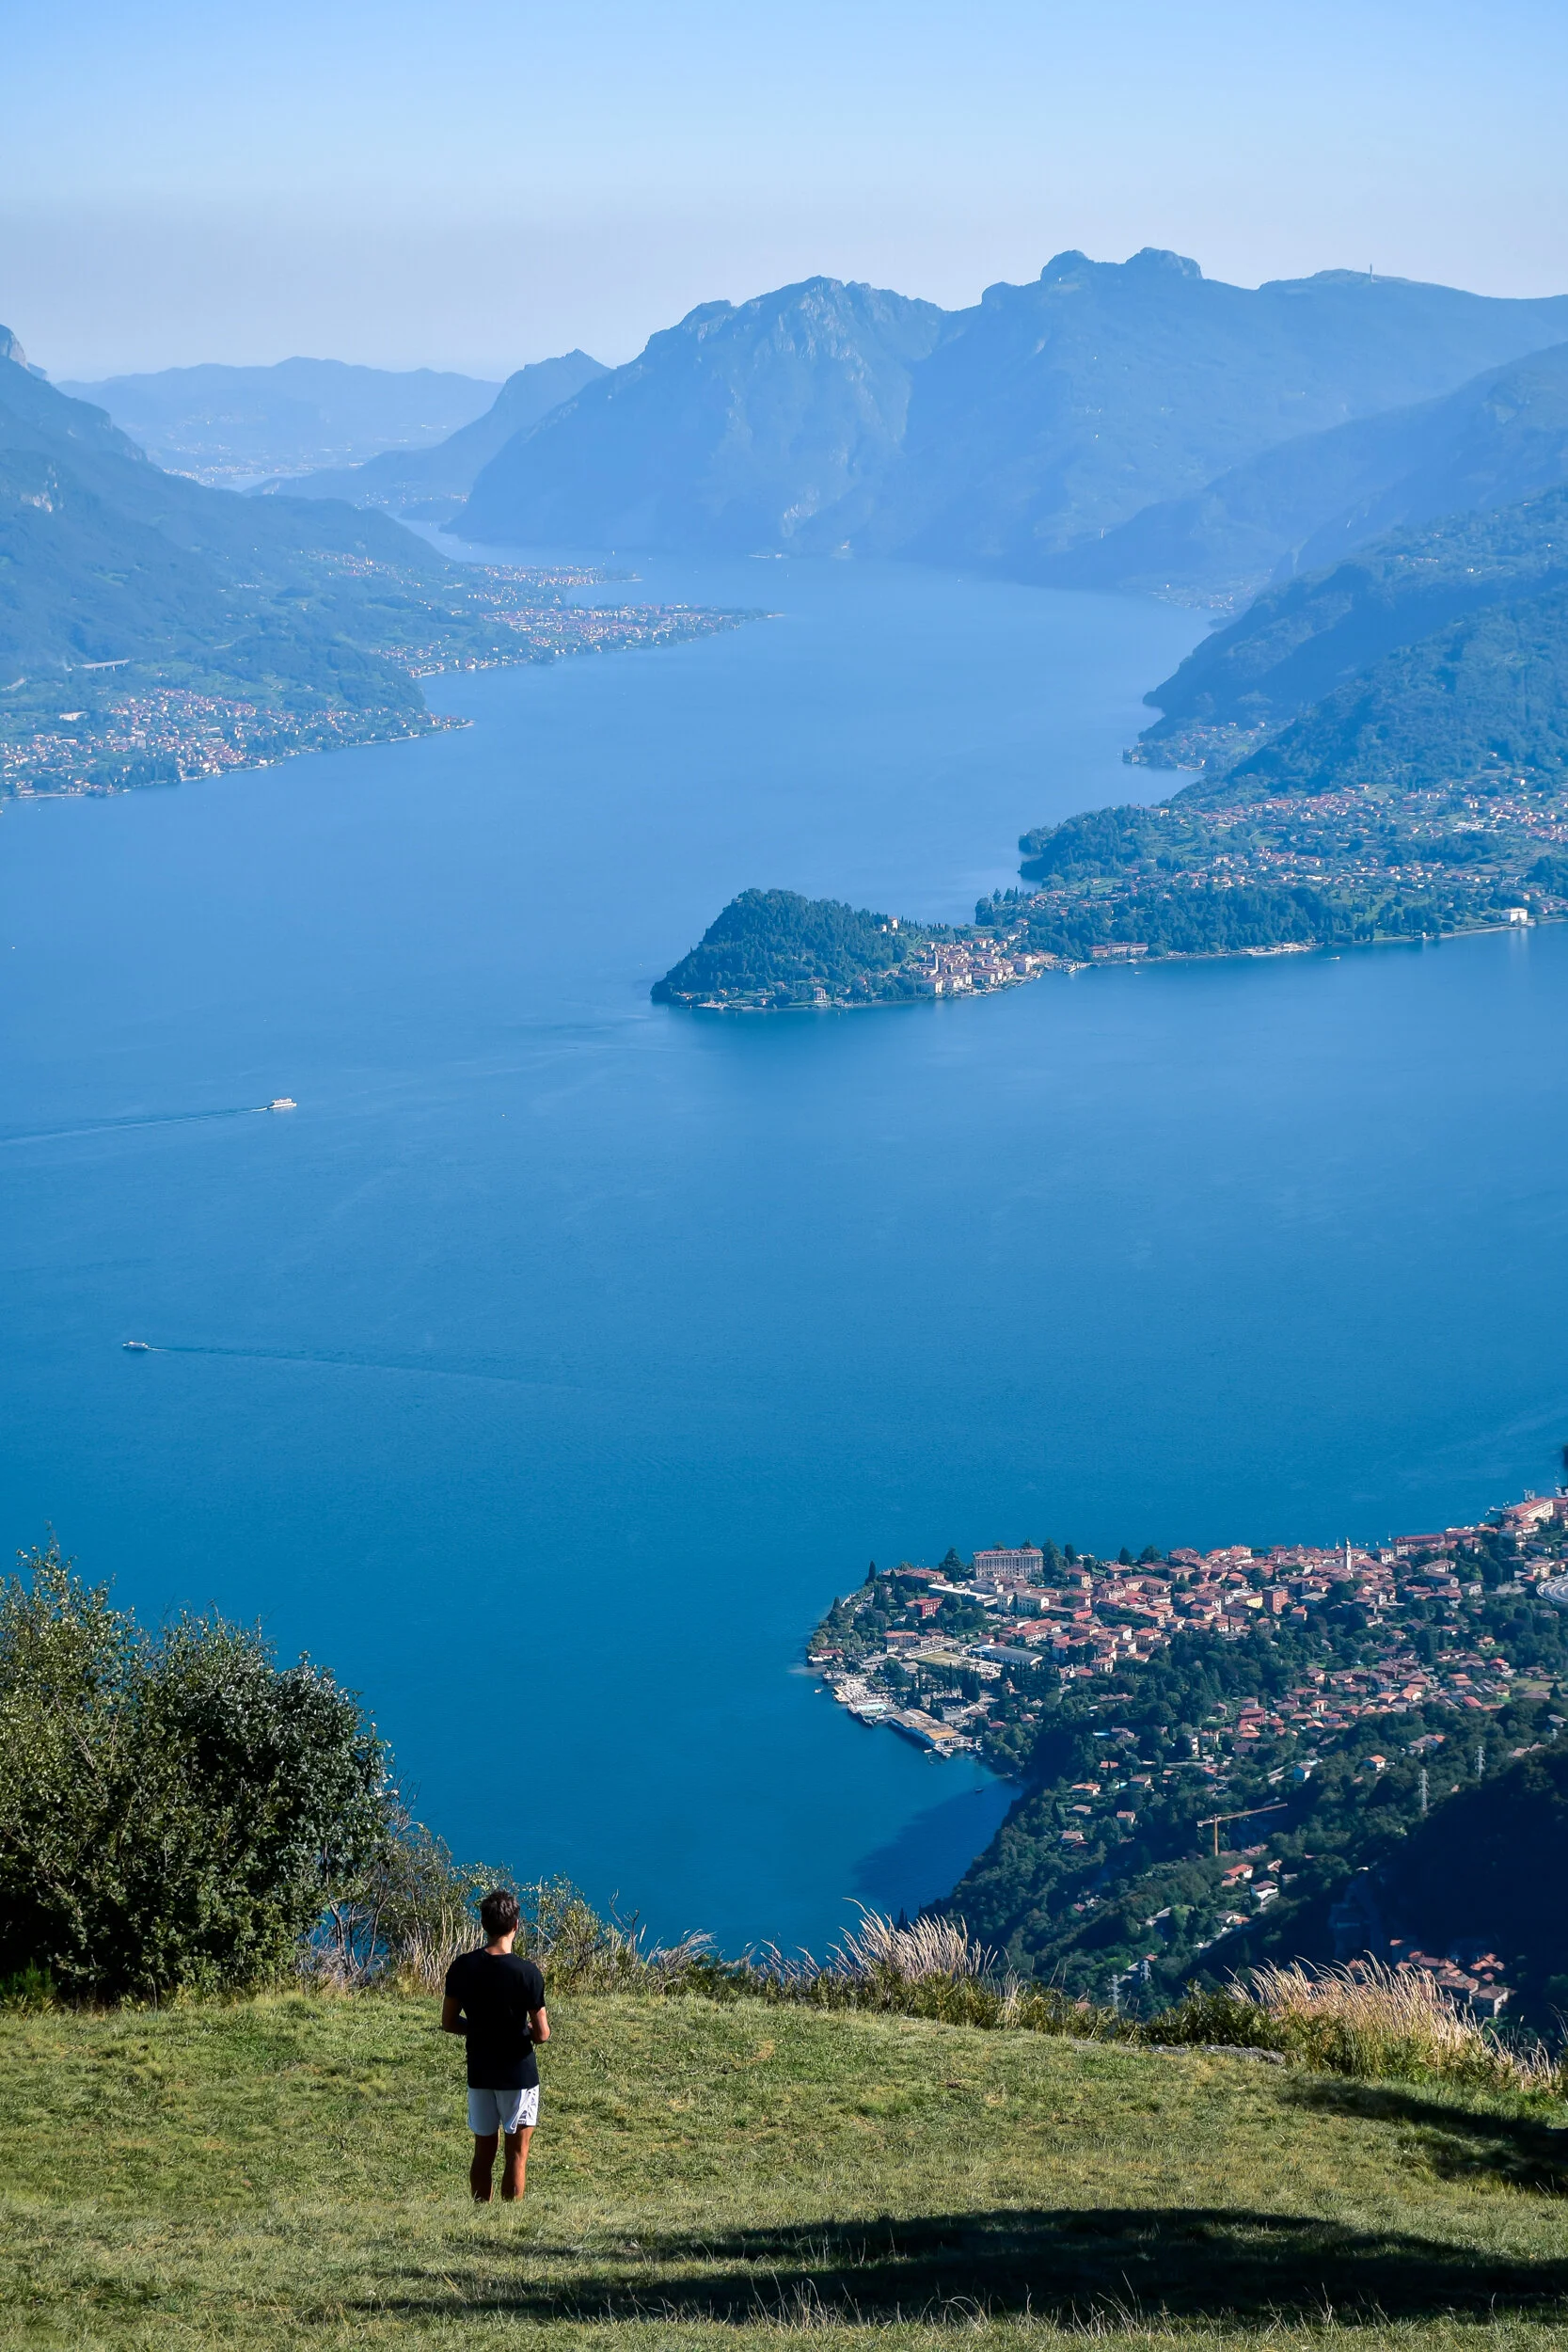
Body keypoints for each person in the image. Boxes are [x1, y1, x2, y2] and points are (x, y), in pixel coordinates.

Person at [441, 1887, 549, 2203]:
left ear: (484, 1925)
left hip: (480, 2070)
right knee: (516, 2155)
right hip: (518, 2075)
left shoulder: (463, 1966)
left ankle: (480, 2215)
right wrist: (522, 2031)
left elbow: (449, 2022)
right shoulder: (528, 1973)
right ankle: (509, 2221)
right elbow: (542, 2033)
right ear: (516, 1925)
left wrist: (479, 2028)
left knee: (482, 2153)